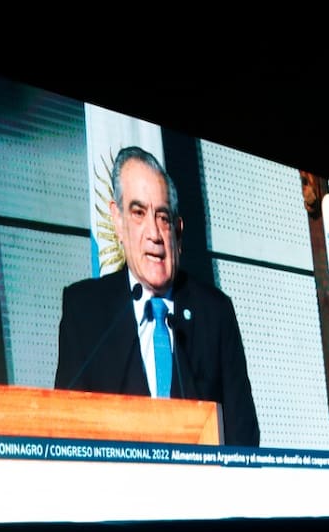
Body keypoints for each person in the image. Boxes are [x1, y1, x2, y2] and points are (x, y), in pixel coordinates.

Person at [54, 145, 260, 447]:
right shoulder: (85, 309)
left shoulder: (215, 313)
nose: (154, 233)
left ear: (177, 231)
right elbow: (65, 428)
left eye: (163, 217)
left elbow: (244, 435)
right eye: (138, 213)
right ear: (118, 220)